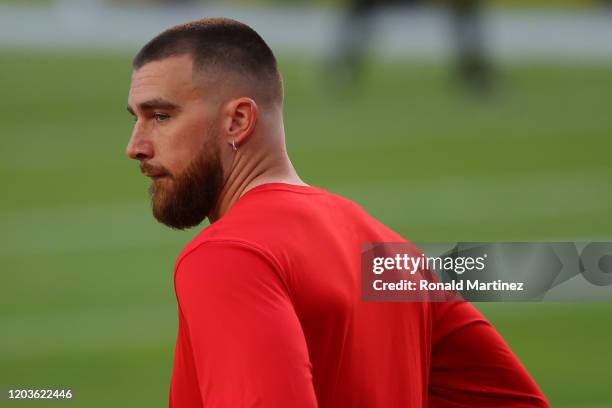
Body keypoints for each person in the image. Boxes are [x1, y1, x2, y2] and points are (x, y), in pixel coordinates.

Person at [125, 17, 548, 407]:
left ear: (238, 120)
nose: (135, 146)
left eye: (160, 116)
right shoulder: (389, 249)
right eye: (137, 119)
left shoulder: (230, 255)